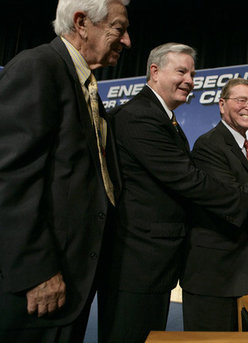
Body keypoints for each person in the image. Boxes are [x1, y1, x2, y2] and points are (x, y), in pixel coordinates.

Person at [99, 44, 248, 342]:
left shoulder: (166, 120)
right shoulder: (139, 116)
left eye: (192, 73)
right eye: (181, 71)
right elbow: (189, 181)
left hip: (156, 262)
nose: (189, 80)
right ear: (155, 71)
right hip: (138, 261)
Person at [0, 0, 131, 341]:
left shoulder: (85, 84)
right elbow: (10, 179)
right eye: (118, 28)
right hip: (39, 287)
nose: (127, 40)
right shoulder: (38, 67)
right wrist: (37, 272)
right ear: (81, 22)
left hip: (72, 279)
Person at [180, 78, 248, 331]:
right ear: (221, 105)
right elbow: (232, 197)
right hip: (211, 274)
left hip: (237, 272)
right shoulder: (209, 145)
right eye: (241, 100)